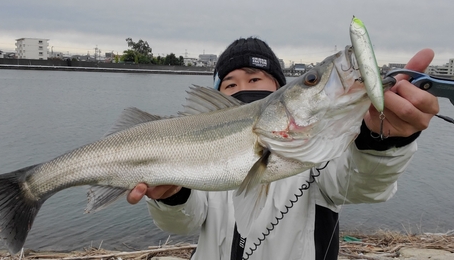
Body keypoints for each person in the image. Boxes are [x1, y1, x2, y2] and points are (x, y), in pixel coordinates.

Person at [126, 37, 439, 260]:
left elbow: (366, 184)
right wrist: (172, 196)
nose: (243, 89)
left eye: (254, 79)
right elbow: (184, 223)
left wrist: (384, 139)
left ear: (278, 90)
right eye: (230, 84)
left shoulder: (325, 152)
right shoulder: (203, 153)